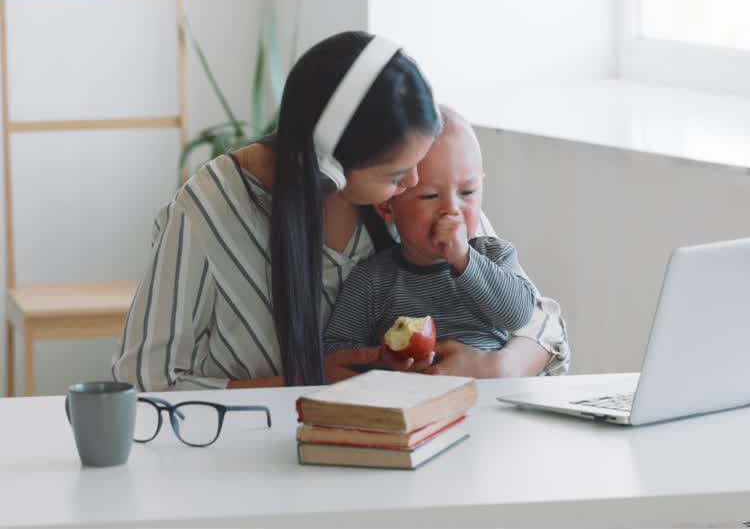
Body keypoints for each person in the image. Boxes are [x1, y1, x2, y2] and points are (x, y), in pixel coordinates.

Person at [110, 32, 569, 392]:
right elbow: (145, 381)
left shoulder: (422, 196)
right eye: (396, 175)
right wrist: (307, 382)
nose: (413, 184)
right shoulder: (208, 210)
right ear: (327, 167)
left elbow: (542, 324)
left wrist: (498, 367)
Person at [324, 106, 539, 367]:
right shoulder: (372, 279)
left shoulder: (493, 255)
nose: (451, 209)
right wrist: (380, 360)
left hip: (486, 387)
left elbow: (519, 316)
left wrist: (465, 260)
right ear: (387, 206)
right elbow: (335, 349)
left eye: (468, 192)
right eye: (430, 196)